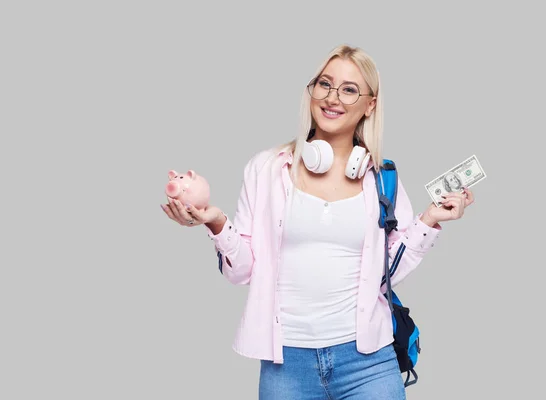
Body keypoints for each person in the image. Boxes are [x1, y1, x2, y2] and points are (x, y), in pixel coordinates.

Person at [161, 44, 475, 400]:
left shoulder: (380, 178)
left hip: (368, 361)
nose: (332, 97)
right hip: (287, 365)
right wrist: (216, 223)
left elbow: (386, 273)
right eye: (325, 84)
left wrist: (430, 220)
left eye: (349, 89)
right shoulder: (266, 169)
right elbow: (241, 271)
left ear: (370, 105)